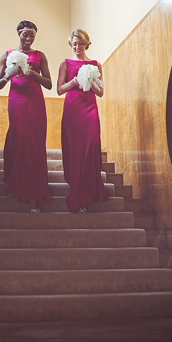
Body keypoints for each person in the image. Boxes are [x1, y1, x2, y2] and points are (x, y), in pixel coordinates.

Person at [0, 20, 53, 213]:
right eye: (25, 34)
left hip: (35, 101)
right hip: (17, 101)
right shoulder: (7, 54)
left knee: (34, 141)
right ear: (18, 33)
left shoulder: (40, 55)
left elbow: (49, 84)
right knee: (19, 137)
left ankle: (34, 191)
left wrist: (33, 74)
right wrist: (9, 75)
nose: (28, 39)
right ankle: (15, 180)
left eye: (32, 36)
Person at [57, 29, 109, 213]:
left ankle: (90, 190)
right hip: (72, 108)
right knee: (76, 150)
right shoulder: (65, 63)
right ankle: (78, 193)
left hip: (89, 108)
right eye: (74, 44)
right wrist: (75, 81)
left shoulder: (96, 65)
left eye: (80, 43)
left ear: (86, 43)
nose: (77, 47)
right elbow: (60, 89)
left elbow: (100, 93)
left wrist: (89, 80)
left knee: (92, 144)